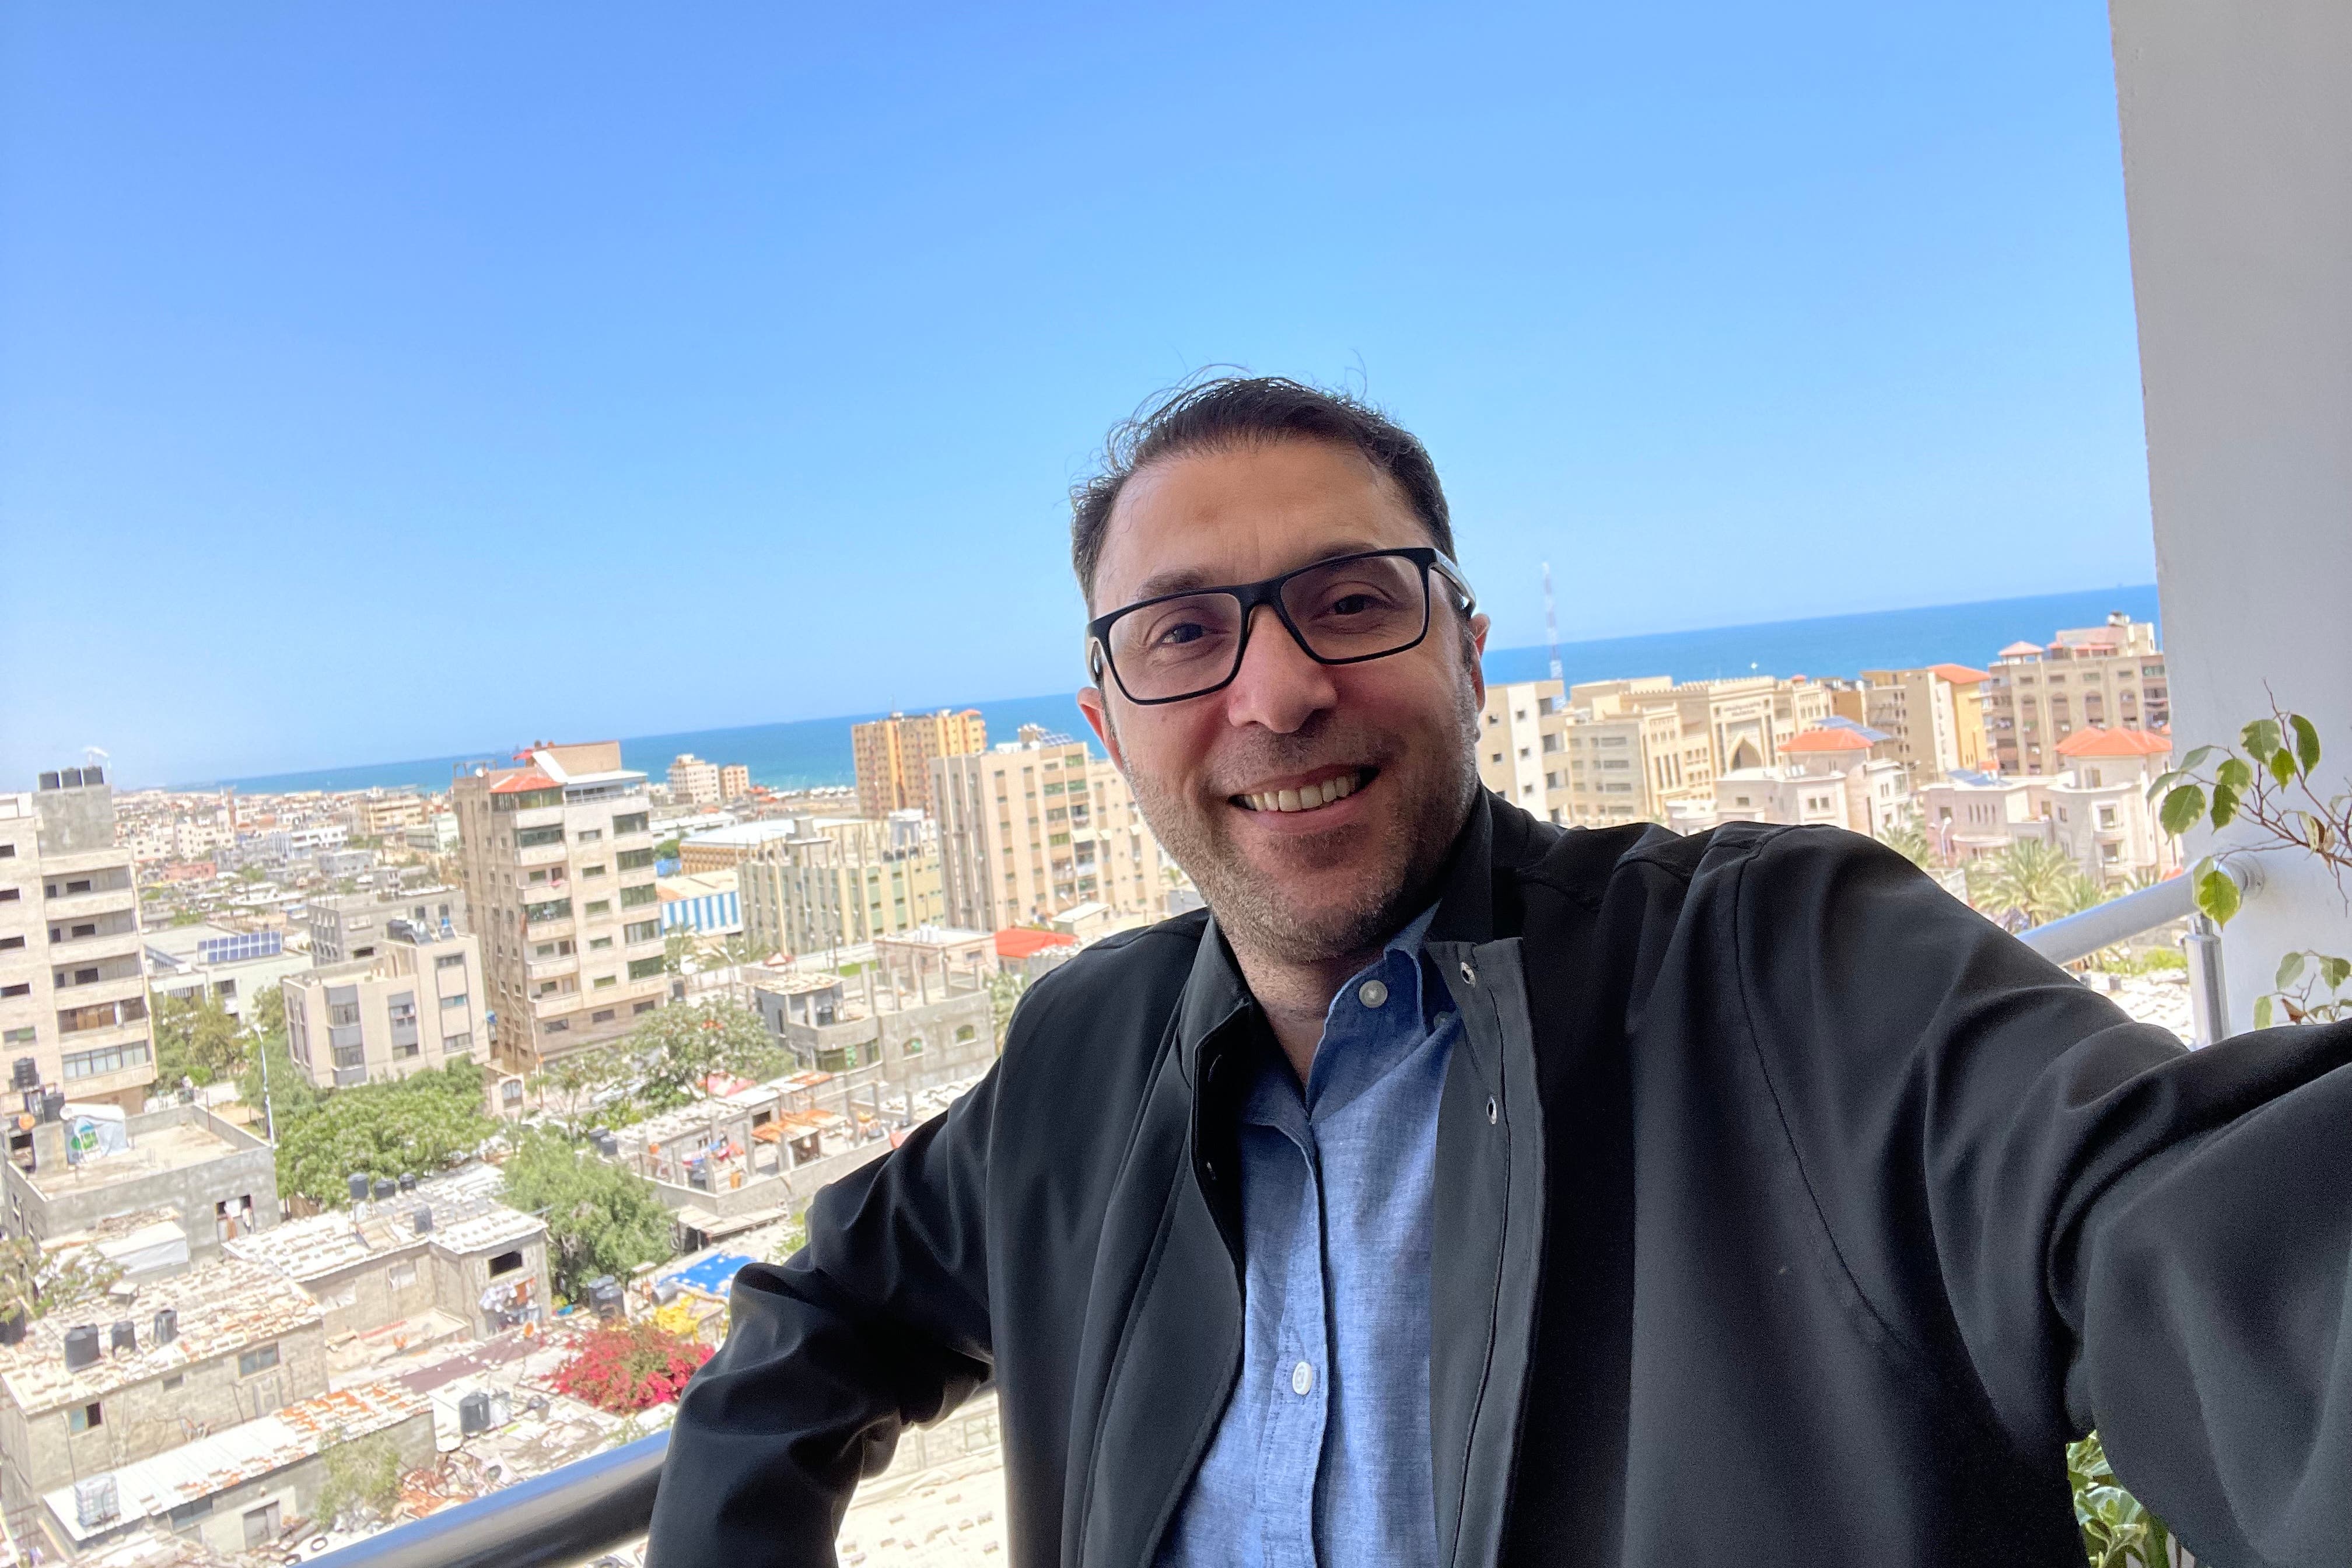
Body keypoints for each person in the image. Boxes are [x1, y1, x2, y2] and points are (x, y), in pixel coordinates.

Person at [649, 377, 2352, 1568]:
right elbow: (814, 1320)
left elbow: (2188, 1221)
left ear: (1468, 650)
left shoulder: (1781, 967)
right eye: (1183, 634)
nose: (1278, 690)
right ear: (1108, 725)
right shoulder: (1081, 1058)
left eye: (1350, 599)